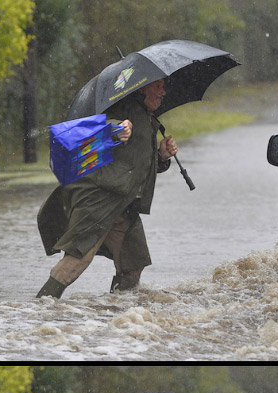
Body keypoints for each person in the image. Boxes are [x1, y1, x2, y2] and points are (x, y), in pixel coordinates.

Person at [36, 79, 179, 298]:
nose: (163, 92)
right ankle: (38, 311)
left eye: (163, 87)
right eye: (158, 87)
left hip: (123, 204)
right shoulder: (121, 107)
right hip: (100, 199)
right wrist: (113, 131)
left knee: (133, 261)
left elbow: (135, 164)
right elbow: (100, 128)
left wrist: (161, 156)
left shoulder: (146, 118)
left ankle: (118, 314)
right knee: (77, 258)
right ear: (142, 87)